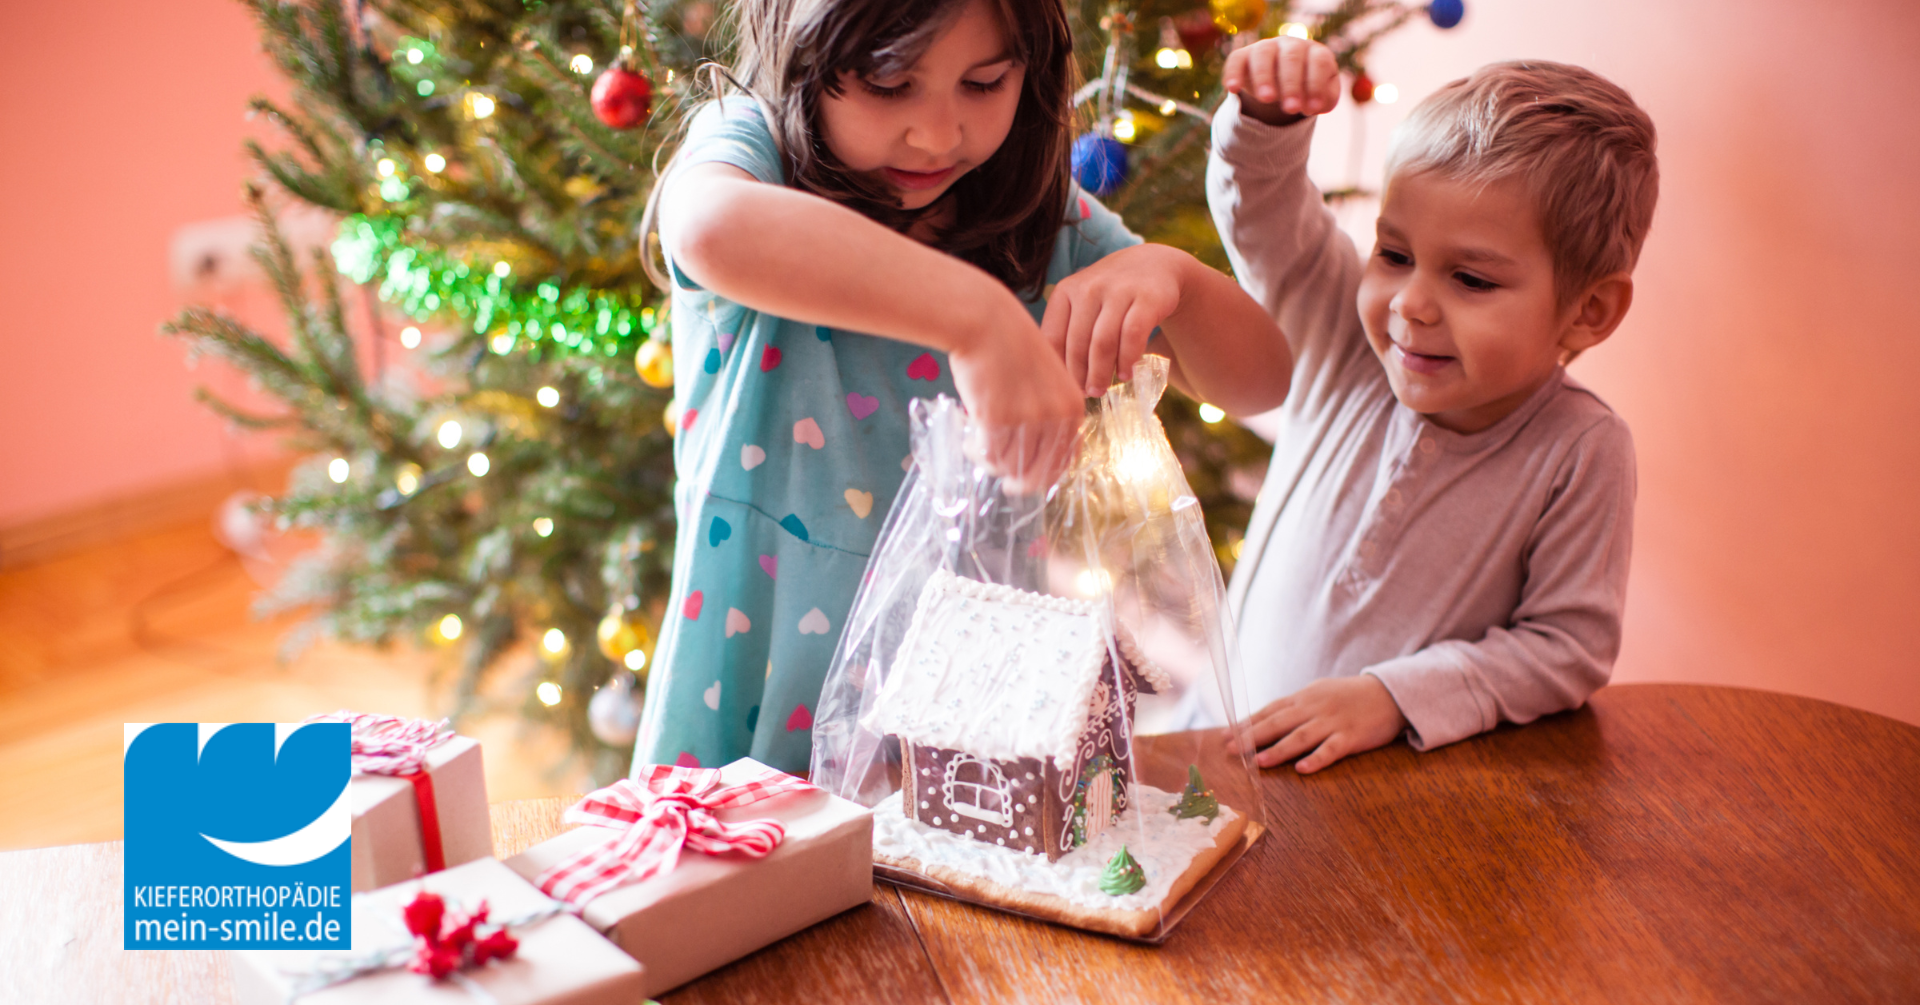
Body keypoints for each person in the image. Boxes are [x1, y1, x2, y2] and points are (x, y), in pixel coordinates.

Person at [636, 0, 1282, 775]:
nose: (939, 136)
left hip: (968, 721)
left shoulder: (1035, 220)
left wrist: (1173, 274)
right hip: (750, 715)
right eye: (889, 84)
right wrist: (978, 319)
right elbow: (708, 227)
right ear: (802, 49)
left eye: (983, 83)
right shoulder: (754, 147)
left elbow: (1262, 381)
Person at [1082, 38, 1656, 773]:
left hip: (1377, 801)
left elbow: (1567, 649)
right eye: (1394, 255)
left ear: (1589, 311)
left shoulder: (1582, 449)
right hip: (1213, 749)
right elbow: (1267, 215)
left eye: (1472, 280)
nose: (1410, 304)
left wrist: (1390, 697)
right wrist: (1267, 117)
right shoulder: (1344, 338)